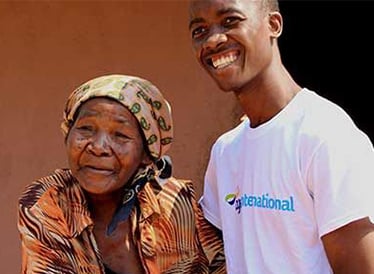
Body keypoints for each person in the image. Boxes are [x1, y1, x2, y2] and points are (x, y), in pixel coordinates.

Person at [188, 0, 374, 273]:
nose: (213, 40)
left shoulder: (325, 135)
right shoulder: (225, 151)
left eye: (230, 21)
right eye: (199, 30)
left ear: (273, 25)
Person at [17, 74, 226, 274]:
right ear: (67, 134)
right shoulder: (49, 202)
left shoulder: (174, 202)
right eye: (86, 129)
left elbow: (223, 266)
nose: (98, 147)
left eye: (120, 135)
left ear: (147, 153)